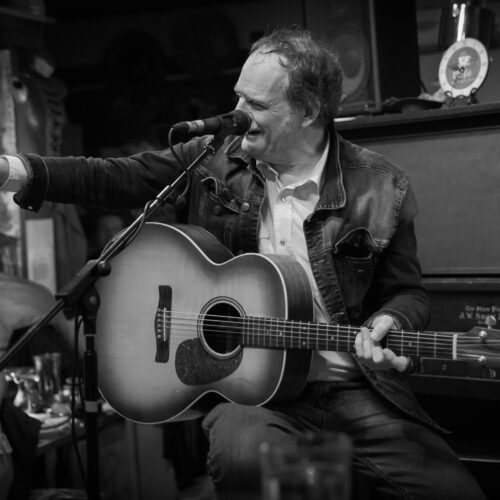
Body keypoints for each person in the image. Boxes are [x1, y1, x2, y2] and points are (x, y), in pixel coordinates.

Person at [0, 26, 486, 499]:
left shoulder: (382, 186)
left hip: (354, 392)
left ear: (308, 110)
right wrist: (14, 171)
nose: (236, 114)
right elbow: (115, 178)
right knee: (250, 459)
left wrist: (393, 319)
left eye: (256, 104)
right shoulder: (212, 159)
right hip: (252, 396)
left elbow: (408, 293)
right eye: (238, 96)